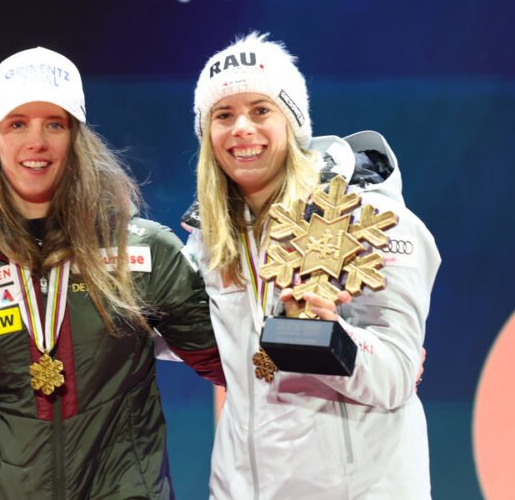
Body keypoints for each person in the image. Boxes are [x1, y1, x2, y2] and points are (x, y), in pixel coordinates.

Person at [0, 46, 224, 499]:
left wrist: (292, 315)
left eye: (55, 124)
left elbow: (231, 362)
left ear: (77, 137)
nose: (36, 143)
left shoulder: (140, 250)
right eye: (17, 123)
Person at [181, 32, 439, 499]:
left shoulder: (372, 219)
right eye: (223, 115)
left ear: (293, 122)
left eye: (261, 110)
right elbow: (166, 327)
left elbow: (398, 375)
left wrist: (333, 336)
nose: (241, 127)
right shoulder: (208, 239)